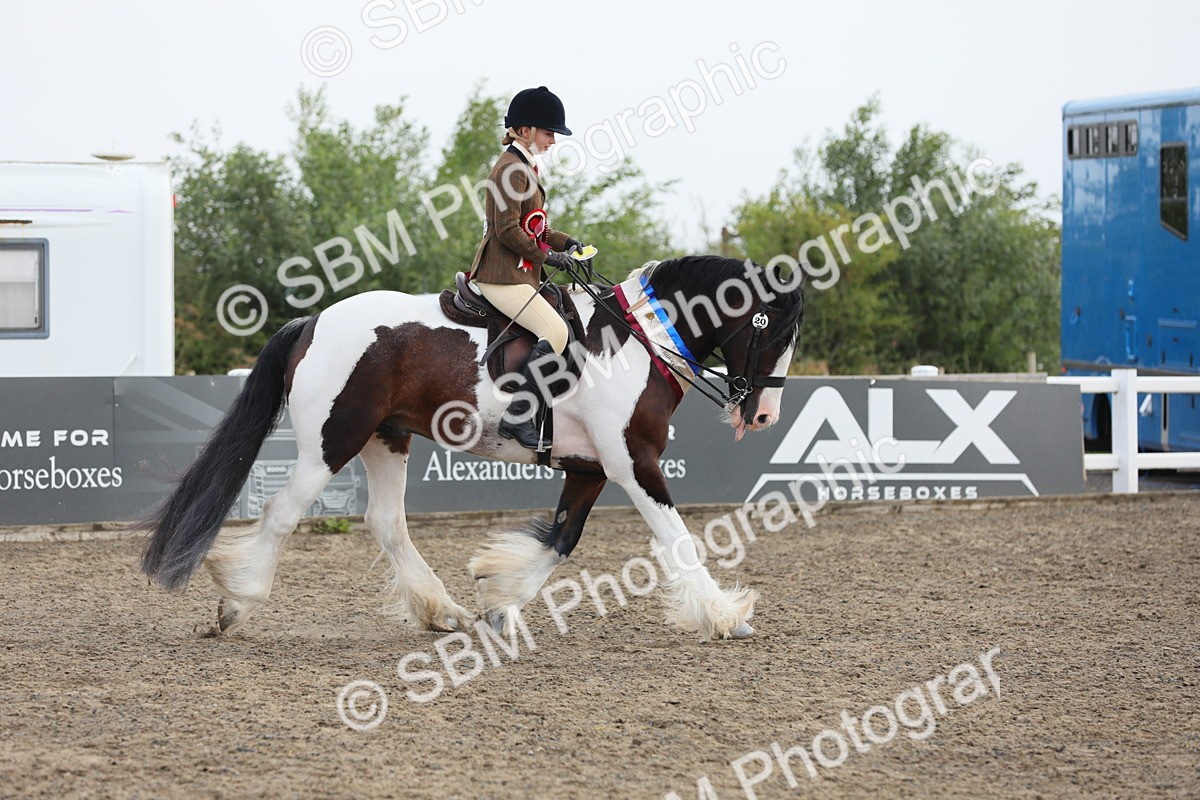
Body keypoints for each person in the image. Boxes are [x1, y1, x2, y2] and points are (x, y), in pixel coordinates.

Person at [469, 86, 590, 450]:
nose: (553, 140)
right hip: (501, 276)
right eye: (548, 131)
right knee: (555, 331)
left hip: (519, 273)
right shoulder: (510, 169)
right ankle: (518, 416)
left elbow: (536, 227)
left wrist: (566, 243)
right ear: (524, 131)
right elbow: (507, 231)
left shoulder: (524, 166)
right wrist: (549, 258)